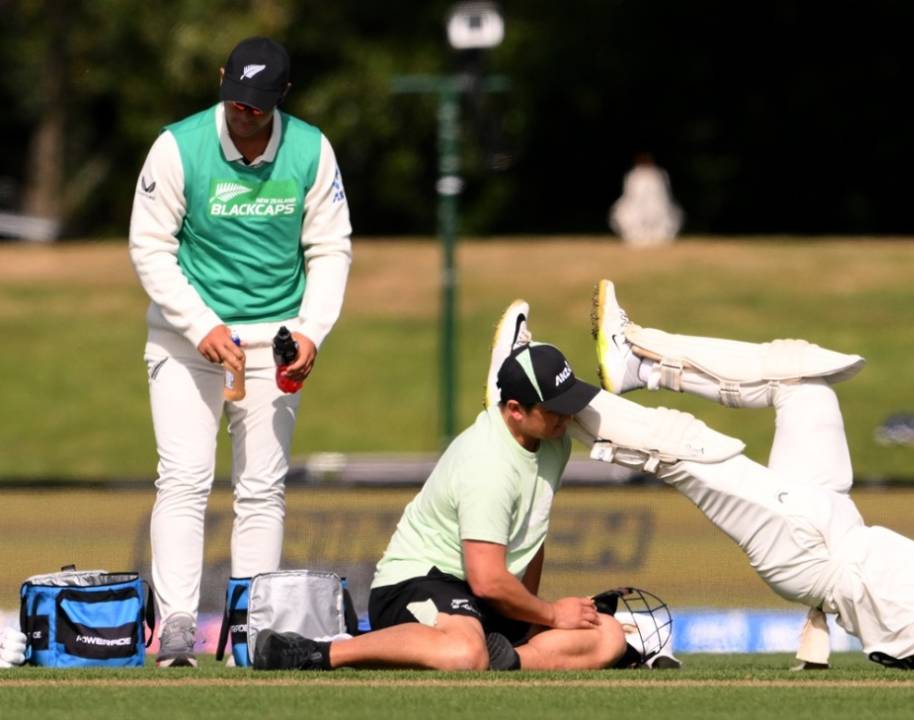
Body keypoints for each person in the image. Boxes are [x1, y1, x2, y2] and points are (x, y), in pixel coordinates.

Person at [578, 280, 914, 672]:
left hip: (814, 556)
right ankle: (640, 362)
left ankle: (543, 396)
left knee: (688, 447)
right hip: (838, 523)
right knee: (803, 377)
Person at [128, 37, 352, 667]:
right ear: (223, 79)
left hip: (273, 342)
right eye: (236, 99)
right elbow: (150, 246)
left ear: (281, 97)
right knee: (184, 479)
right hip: (186, 339)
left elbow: (330, 247)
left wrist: (311, 330)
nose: (244, 114)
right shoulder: (178, 146)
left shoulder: (311, 149)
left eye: (257, 106)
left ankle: (253, 630)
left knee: (261, 489)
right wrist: (201, 325)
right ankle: (175, 627)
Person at [253, 302, 627, 672]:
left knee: (609, 635)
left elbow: (532, 535)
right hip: (418, 583)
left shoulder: (553, 442)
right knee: (464, 652)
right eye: (554, 409)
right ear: (515, 409)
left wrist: (530, 621)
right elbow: (487, 580)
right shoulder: (488, 464)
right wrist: (550, 613)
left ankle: (504, 659)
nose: (567, 416)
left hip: (482, 598)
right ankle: (319, 653)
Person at [608, 152, 683, 248]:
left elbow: (662, 194)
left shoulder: (658, 174)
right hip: (637, 205)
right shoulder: (635, 175)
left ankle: (658, 238)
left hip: (657, 205)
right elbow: (631, 194)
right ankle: (637, 238)